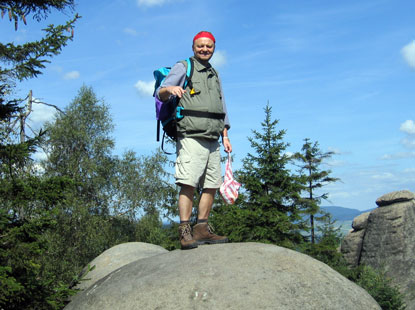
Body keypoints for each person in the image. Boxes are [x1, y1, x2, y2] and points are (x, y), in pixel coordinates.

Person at [156, 31, 232, 250]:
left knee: (212, 185)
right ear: (193, 47)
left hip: (213, 137)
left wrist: (225, 134)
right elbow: (161, 93)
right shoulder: (183, 66)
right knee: (188, 183)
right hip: (190, 135)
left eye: (208, 46)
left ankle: (202, 229)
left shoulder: (214, 73)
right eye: (200, 46)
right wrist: (169, 89)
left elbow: (222, 106)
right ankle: (185, 231)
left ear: (214, 48)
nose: (204, 49)